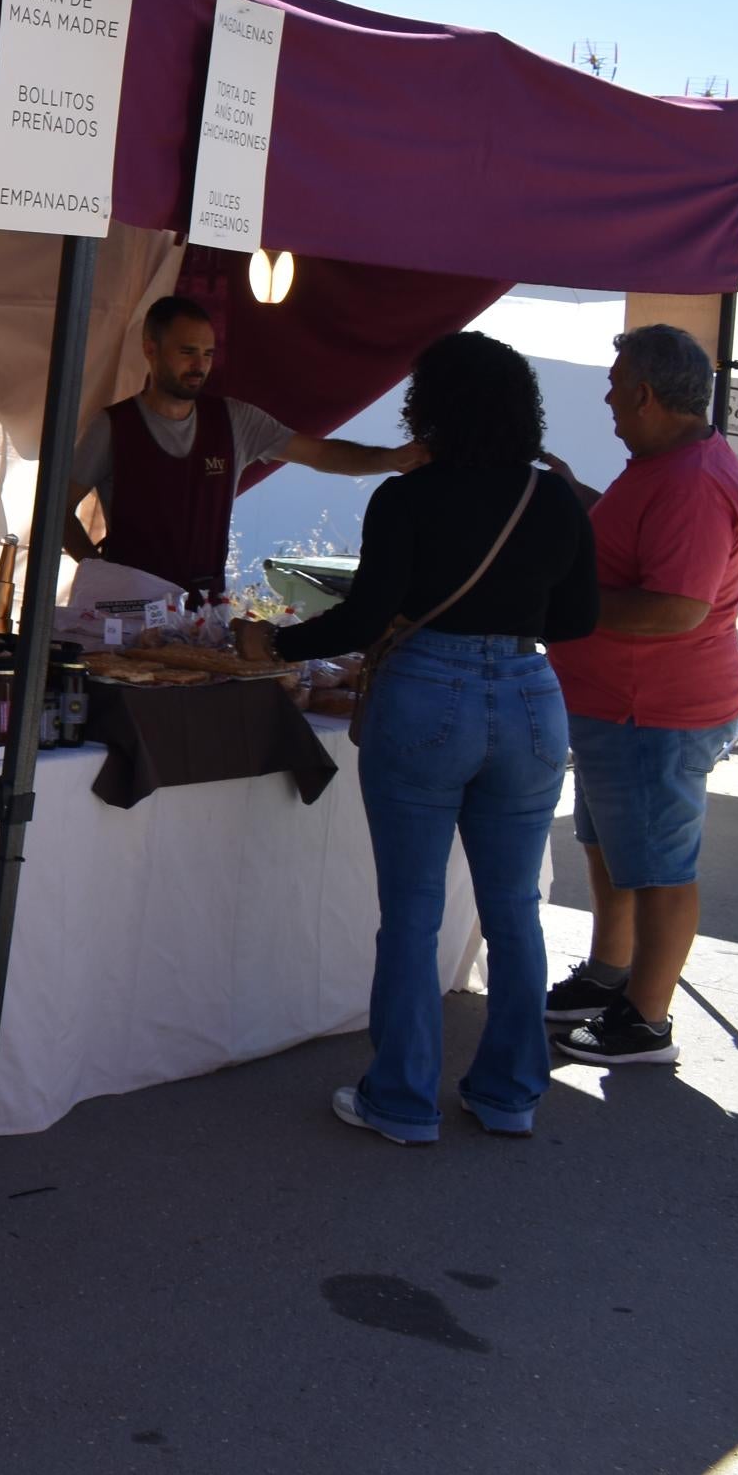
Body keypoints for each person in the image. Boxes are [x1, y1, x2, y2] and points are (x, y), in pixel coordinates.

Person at [234, 333, 597, 1142]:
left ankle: (402, 1100)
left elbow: (364, 619)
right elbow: (577, 620)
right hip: (533, 697)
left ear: (430, 406)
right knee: (515, 909)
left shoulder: (408, 496)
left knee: (412, 910)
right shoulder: (557, 497)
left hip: (429, 692)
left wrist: (273, 642)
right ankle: (510, 1095)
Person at [539, 325, 738, 1068]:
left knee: (659, 866)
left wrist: (561, 606)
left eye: (614, 381)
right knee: (613, 848)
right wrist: (581, 496)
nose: (606, 395)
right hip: (621, 706)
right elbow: (640, 544)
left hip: (653, 707)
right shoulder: (668, 464)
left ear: (647, 394)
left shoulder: (692, 480)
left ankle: (647, 1020)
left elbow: (675, 608)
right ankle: (611, 974)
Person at [65, 294, 422, 598]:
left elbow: (320, 453)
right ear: (150, 350)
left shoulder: (234, 420)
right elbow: (56, 512)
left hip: (203, 609)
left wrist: (392, 459)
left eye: (207, 353)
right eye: (187, 352)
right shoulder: (113, 426)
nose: (199, 365)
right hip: (128, 608)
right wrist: (100, 572)